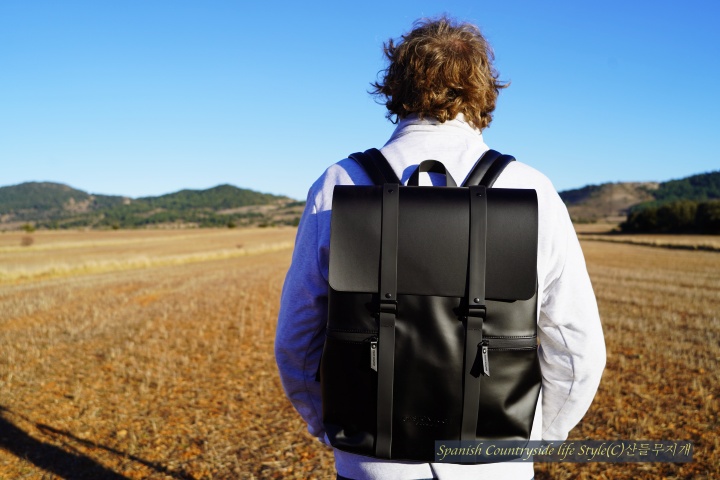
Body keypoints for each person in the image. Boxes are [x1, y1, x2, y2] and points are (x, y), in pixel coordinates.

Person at [275, 16, 606, 480]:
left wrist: (330, 426)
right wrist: (534, 438)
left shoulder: (339, 182)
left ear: (396, 85)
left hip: (371, 460)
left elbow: (297, 337)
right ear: (483, 89)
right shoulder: (531, 188)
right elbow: (576, 345)